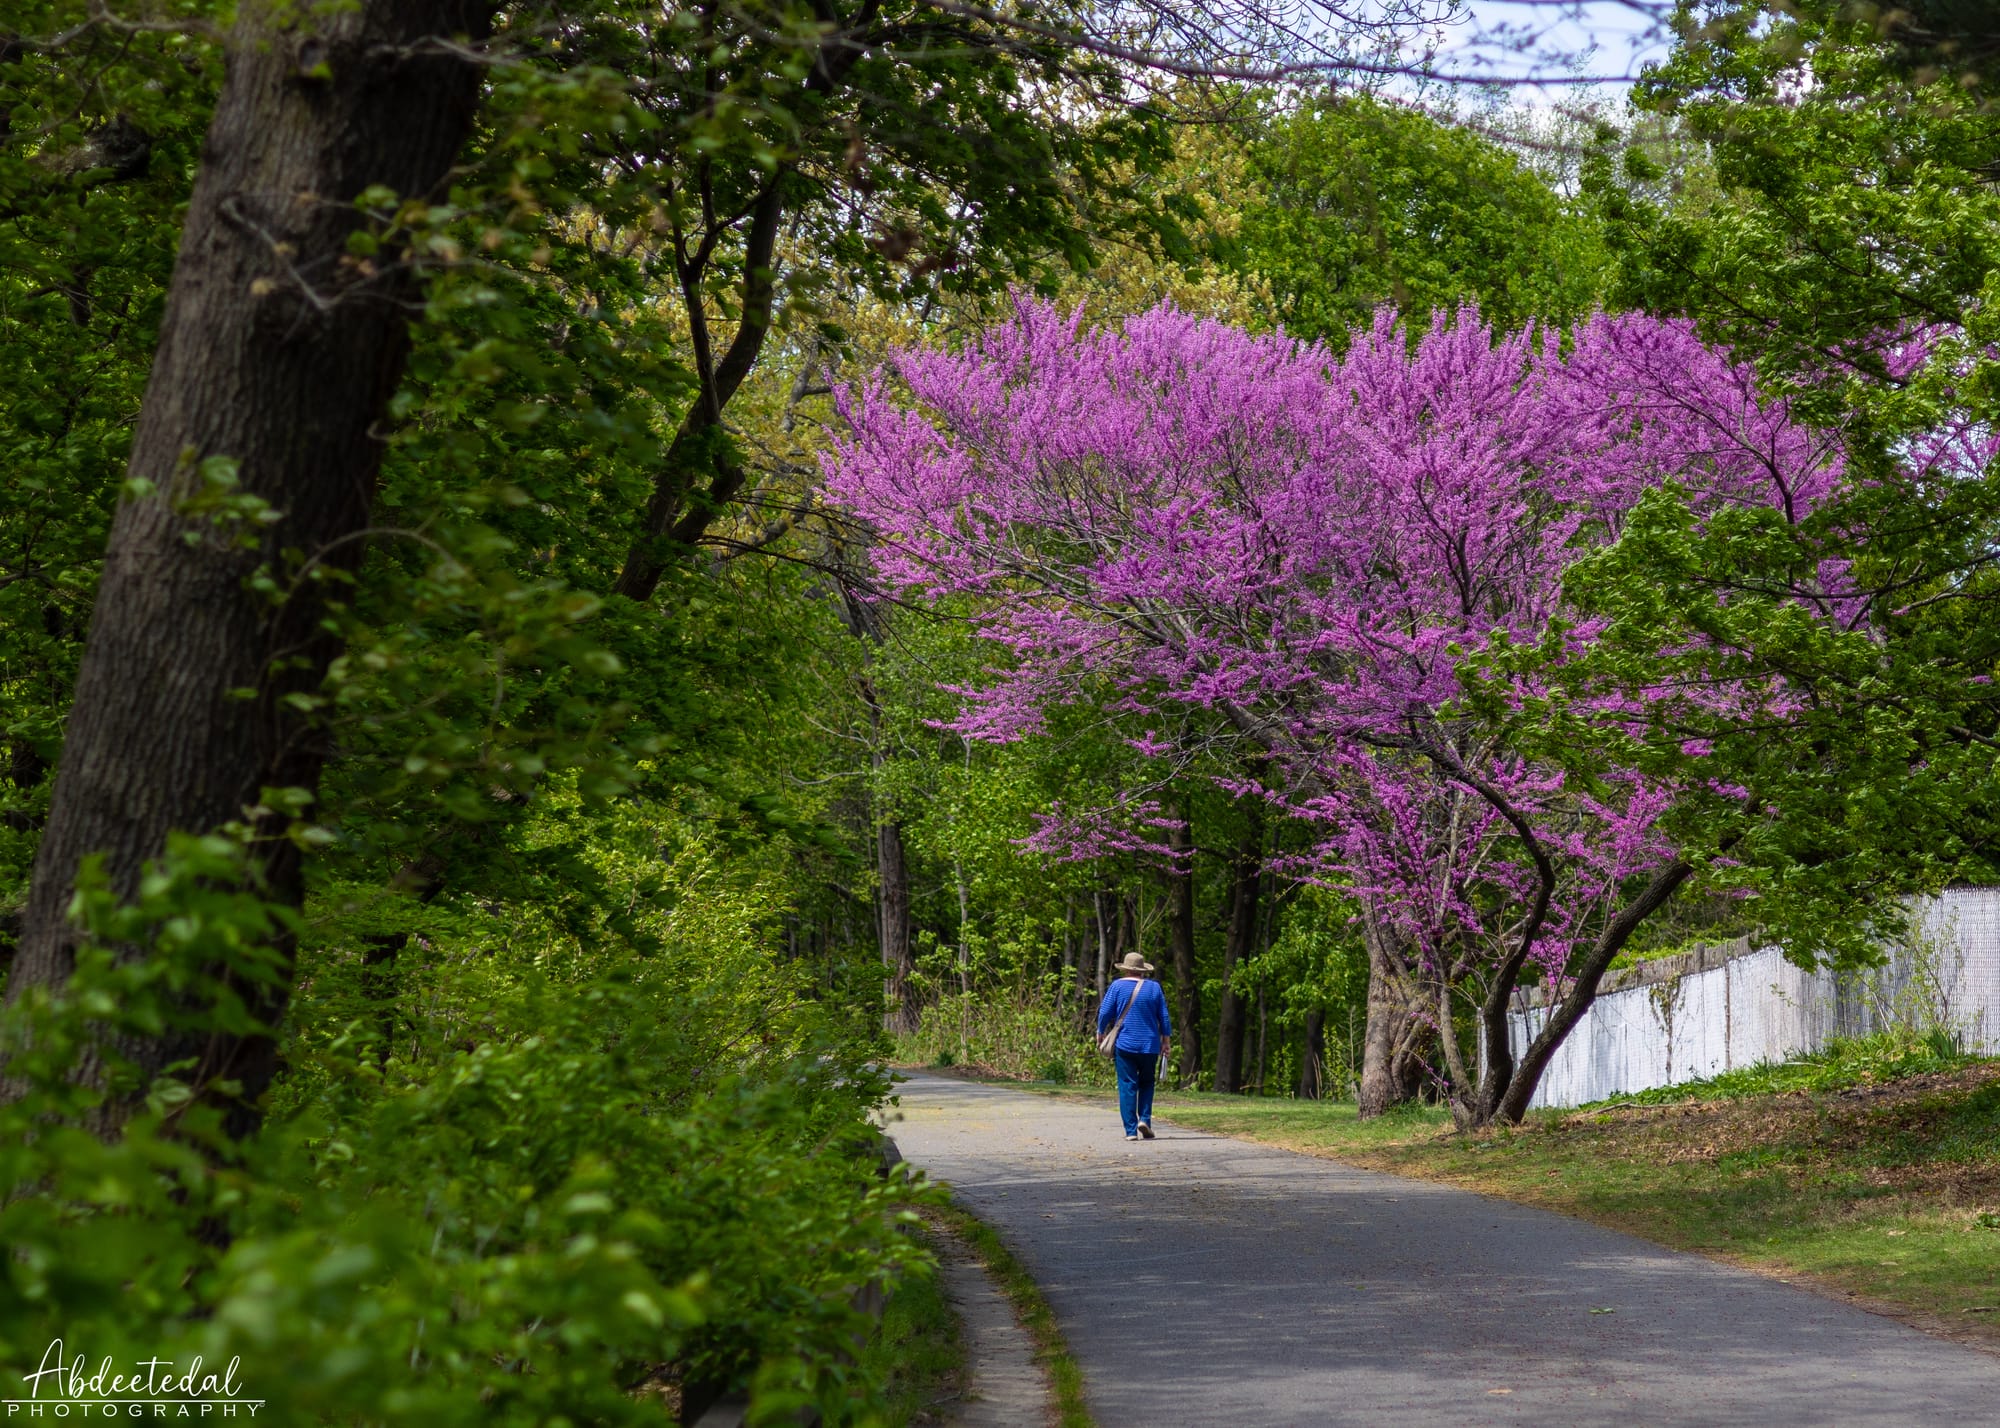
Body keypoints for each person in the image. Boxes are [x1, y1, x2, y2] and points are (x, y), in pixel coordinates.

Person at [1096, 951, 1173, 1141]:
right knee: (1147, 1083)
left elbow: (1105, 1011)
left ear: (1126, 969)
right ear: (1142, 971)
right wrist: (1166, 1042)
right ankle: (1145, 1119)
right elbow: (1163, 1016)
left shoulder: (1117, 986)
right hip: (1149, 1045)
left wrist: (1100, 1032)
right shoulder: (1154, 988)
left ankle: (1130, 1131)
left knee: (1127, 1085)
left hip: (1125, 1044)